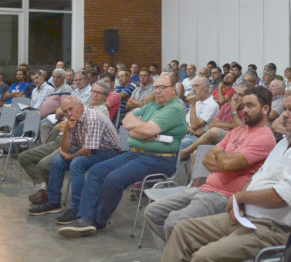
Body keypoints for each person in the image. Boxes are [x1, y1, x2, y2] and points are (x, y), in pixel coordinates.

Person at [160, 86, 291, 261]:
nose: (285, 115)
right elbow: (258, 177)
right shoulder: (286, 142)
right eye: (285, 109)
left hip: (273, 229)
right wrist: (240, 202)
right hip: (248, 217)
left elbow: (280, 196)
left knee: (203, 257)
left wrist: (240, 197)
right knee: (182, 230)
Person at [144, 86, 276, 251]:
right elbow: (207, 159)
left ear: (265, 109)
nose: (245, 110)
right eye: (244, 106)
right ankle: (179, 253)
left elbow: (225, 163)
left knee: (174, 221)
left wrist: (221, 158)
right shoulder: (238, 130)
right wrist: (223, 160)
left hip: (224, 196)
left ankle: (180, 253)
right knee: (152, 212)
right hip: (204, 189)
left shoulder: (265, 138)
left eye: (251, 106)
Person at [58, 74, 187, 237]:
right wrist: (141, 130)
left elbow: (147, 130)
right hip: (135, 153)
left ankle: (97, 221)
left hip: (159, 158)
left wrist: (141, 130)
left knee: (114, 179)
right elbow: (127, 119)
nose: (158, 91)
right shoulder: (153, 105)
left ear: (173, 89)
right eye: (156, 87)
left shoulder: (175, 108)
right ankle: (84, 217)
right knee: (97, 170)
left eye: (163, 87)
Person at [28, 96, 122, 224]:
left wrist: (70, 157)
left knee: (77, 163)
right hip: (91, 149)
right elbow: (65, 149)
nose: (69, 114)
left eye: (71, 109)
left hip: (110, 152)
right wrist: (67, 130)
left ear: (81, 107)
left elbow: (87, 151)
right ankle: (53, 202)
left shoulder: (93, 119)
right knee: (57, 161)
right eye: (65, 111)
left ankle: (76, 208)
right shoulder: (73, 120)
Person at [21, 81, 112, 206]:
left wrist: (68, 125)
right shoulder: (84, 105)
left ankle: (50, 195)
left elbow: (79, 129)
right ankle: (45, 188)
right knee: (24, 157)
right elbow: (63, 115)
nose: (95, 95)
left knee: (44, 164)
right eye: (93, 91)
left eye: (99, 93)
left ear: (105, 96)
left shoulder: (101, 110)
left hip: (73, 144)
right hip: (59, 139)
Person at [179, 77, 219, 151]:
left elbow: (194, 125)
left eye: (197, 86)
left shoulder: (212, 105)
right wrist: (193, 131)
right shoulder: (196, 102)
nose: (194, 89)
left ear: (207, 87)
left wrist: (192, 105)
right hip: (187, 134)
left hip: (197, 139)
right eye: (193, 86)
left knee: (174, 145)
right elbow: (185, 123)